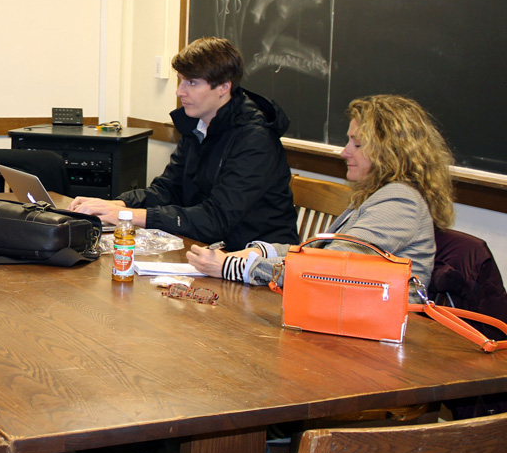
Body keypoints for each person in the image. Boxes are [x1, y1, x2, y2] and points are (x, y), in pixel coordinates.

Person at [187, 95, 454, 300]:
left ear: (391, 151)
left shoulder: (398, 201)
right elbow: (319, 253)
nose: (344, 152)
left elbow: (326, 268)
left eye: (358, 144)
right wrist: (262, 250)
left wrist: (236, 266)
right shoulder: (377, 193)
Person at [70, 37, 297, 250]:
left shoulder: (255, 139)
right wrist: (118, 204)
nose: (180, 92)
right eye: (180, 80)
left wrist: (129, 216)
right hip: (211, 251)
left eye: (192, 83)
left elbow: (216, 219)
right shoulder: (197, 125)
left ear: (223, 87)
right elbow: (169, 189)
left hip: (256, 263)